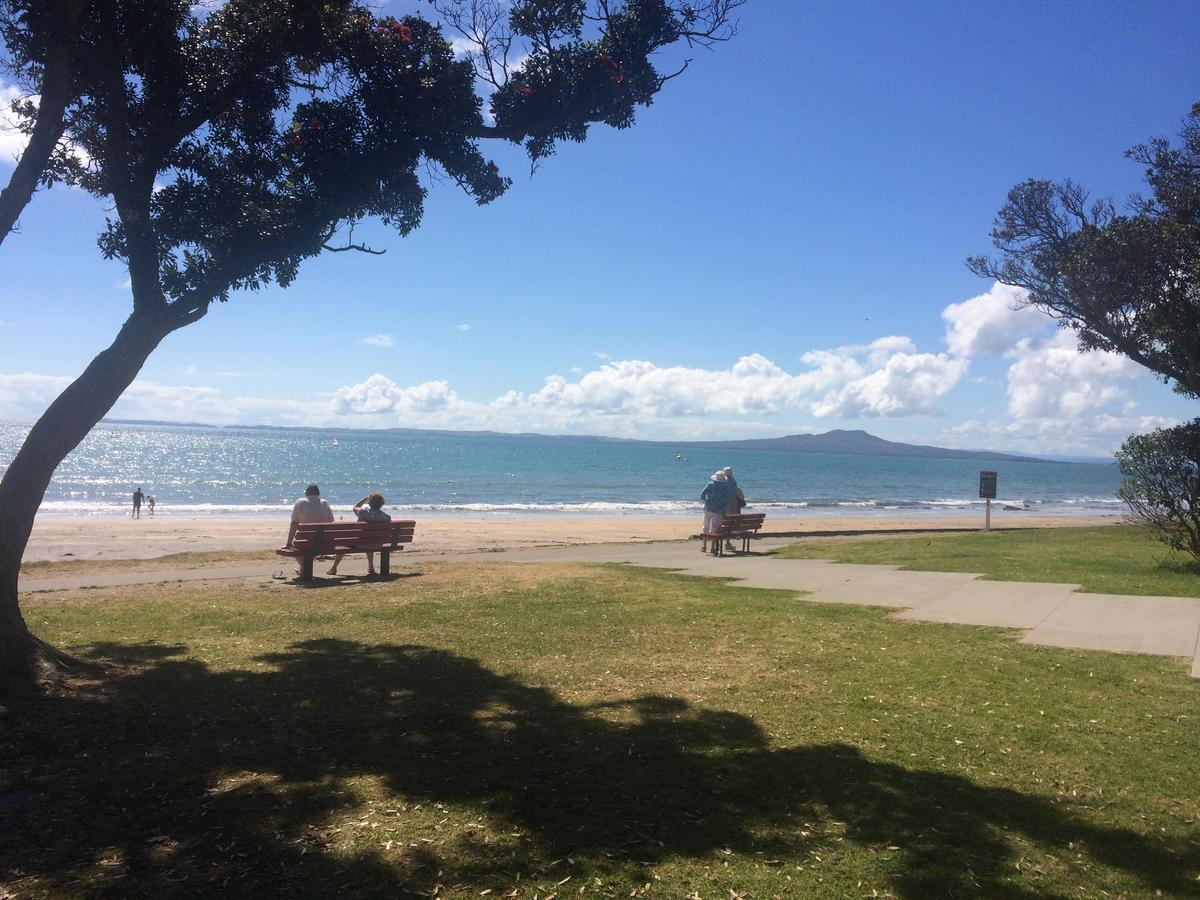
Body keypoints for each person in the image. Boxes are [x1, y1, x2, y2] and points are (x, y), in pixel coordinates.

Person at [328, 492, 391, 576]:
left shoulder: (363, 512)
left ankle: (334, 568)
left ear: (369, 503)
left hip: (362, 543)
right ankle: (371, 567)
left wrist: (365, 498)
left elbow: (355, 507)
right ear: (381, 504)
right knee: (370, 538)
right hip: (377, 543)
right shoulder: (386, 517)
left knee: (344, 543)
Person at [700, 470, 733, 555]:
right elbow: (728, 500)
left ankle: (704, 546)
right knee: (714, 529)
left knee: (705, 527)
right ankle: (712, 547)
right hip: (719, 511)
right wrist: (724, 508)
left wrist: (707, 501)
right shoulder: (725, 487)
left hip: (708, 509)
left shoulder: (709, 484)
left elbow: (702, 495)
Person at [722, 466, 747, 552]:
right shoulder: (733, 481)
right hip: (734, 504)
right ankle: (730, 541)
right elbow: (735, 491)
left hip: (726, 505)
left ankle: (727, 542)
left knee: (727, 524)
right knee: (733, 522)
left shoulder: (723, 481)